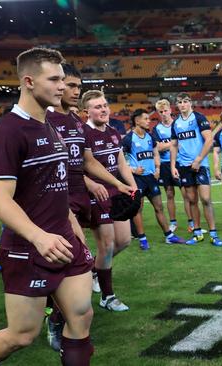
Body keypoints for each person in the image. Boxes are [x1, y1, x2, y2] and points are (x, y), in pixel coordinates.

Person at [0, 47, 94, 365]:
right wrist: (40, 237)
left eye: (63, 80)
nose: (62, 87)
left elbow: (53, 187)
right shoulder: (9, 131)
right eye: (54, 80)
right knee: (22, 335)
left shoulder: (49, 124)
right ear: (28, 81)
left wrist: (73, 225)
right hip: (28, 249)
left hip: (65, 240)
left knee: (80, 317)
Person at [46, 63, 134, 350]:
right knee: (77, 260)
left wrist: (118, 183)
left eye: (75, 86)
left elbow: (86, 161)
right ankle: (60, 320)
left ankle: (68, 309)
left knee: (97, 251)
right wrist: (89, 182)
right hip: (58, 197)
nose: (72, 90)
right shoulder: (44, 119)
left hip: (83, 195)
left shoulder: (74, 122)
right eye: (68, 85)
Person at [82, 90, 138, 312]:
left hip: (116, 191)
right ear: (86, 111)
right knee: (106, 244)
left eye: (105, 105)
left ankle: (94, 270)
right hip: (97, 194)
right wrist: (91, 185)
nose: (103, 109)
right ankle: (108, 296)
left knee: (123, 241)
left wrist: (132, 186)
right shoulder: (82, 133)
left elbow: (121, 163)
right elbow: (78, 167)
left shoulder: (114, 132)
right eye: (97, 106)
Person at [122, 109, 186, 250]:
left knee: (159, 207)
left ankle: (169, 236)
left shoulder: (150, 137)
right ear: (137, 121)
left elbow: (155, 152)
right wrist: (132, 169)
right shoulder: (128, 139)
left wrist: (157, 168)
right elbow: (119, 159)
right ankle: (142, 239)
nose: (148, 121)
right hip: (135, 179)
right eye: (145, 119)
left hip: (151, 178)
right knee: (138, 209)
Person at [169, 92, 222, 247]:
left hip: (200, 166)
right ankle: (197, 233)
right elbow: (173, 145)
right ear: (177, 104)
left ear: (190, 103)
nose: (182, 104)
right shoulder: (176, 123)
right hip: (184, 166)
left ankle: (213, 234)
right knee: (192, 200)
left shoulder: (199, 118)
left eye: (185, 101)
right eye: (180, 102)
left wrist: (199, 159)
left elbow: (209, 140)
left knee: (206, 199)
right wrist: (173, 165)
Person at [151, 99, 180, 232]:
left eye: (165, 111)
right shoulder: (157, 128)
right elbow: (158, 147)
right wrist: (174, 143)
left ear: (170, 110)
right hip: (165, 164)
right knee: (169, 193)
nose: (163, 113)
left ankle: (192, 223)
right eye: (160, 112)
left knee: (187, 193)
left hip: (180, 162)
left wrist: (166, 145)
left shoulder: (178, 124)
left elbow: (165, 145)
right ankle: (173, 222)